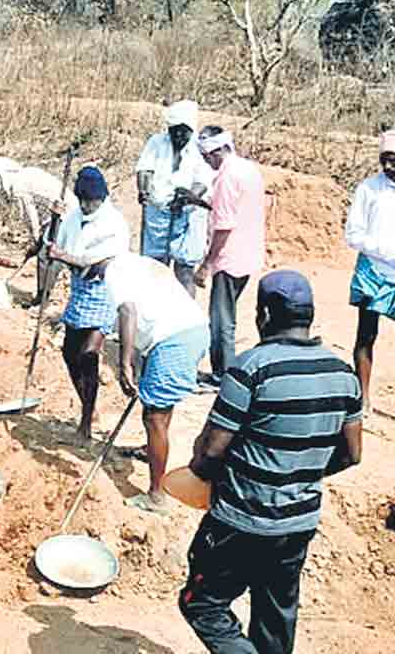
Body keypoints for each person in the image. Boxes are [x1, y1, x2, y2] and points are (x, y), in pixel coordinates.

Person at [179, 270, 362, 654]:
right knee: (275, 615)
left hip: (241, 520)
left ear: (263, 315)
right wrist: (300, 471)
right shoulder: (344, 374)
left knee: (202, 604)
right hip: (298, 523)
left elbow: (211, 451)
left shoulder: (250, 369)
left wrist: (200, 475)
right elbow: (352, 454)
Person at [104, 252, 209, 514]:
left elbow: (128, 311)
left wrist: (125, 363)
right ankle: (149, 450)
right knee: (160, 406)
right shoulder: (138, 262)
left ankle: (156, 495)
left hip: (174, 340)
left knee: (154, 417)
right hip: (193, 330)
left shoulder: (113, 270)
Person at [45, 166, 131, 444]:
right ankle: (88, 407)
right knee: (69, 353)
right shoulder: (73, 217)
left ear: (102, 197)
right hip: (80, 291)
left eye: (92, 201)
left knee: (90, 354)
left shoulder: (113, 222)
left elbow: (92, 263)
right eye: (82, 200)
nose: (87, 205)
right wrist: (54, 221)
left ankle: (85, 428)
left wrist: (63, 255)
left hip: (105, 289)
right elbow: (54, 249)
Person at [194, 126, 266, 389]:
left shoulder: (226, 178)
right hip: (249, 253)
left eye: (206, 157)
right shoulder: (248, 169)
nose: (206, 162)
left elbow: (223, 226)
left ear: (215, 152)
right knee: (227, 315)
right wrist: (198, 201)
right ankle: (225, 372)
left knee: (221, 320)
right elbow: (234, 207)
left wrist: (206, 264)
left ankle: (223, 376)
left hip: (229, 257)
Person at [135, 99, 212, 297]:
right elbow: (144, 169)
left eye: (182, 131)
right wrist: (143, 190)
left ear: (191, 129)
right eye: (174, 130)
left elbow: (202, 182)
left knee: (184, 271)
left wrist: (188, 196)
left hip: (187, 215)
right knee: (155, 268)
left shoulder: (199, 148)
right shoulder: (156, 142)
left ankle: (186, 321)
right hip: (158, 213)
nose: (177, 135)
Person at [345, 130, 395, 415]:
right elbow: (353, 234)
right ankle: (363, 399)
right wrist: (386, 252)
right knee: (366, 335)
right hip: (373, 272)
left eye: (394, 160)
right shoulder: (368, 189)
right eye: (383, 160)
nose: (388, 167)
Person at [0, 157, 80, 305]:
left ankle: (42, 300)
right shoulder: (25, 175)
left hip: (65, 213)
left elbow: (30, 217)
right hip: (59, 214)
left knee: (46, 255)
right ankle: (43, 296)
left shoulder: (18, 186)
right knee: (46, 252)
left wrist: (36, 241)